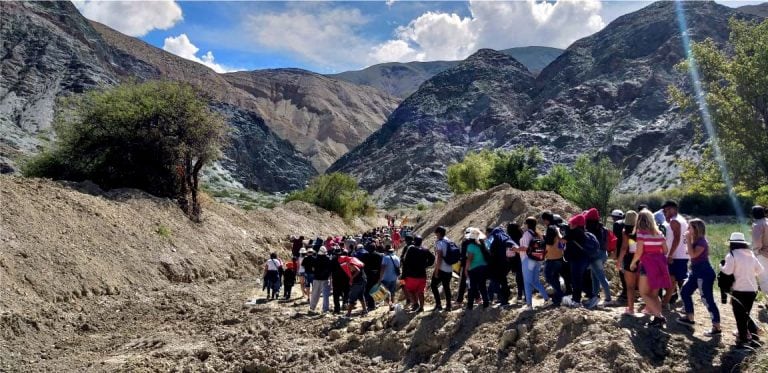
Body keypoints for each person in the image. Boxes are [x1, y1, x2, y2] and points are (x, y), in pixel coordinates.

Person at [676, 219, 721, 335]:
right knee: (685, 291)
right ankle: (689, 317)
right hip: (695, 272)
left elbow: (692, 254)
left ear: (696, 229)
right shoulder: (695, 240)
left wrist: (687, 240)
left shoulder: (702, 242)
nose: (687, 230)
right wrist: (689, 241)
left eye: (689, 228)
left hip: (704, 273)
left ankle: (716, 327)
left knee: (707, 299)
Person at [721, 232, 764, 347]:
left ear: (732, 243)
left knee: (739, 315)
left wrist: (721, 266)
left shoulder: (732, 255)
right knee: (745, 313)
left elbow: (728, 271)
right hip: (752, 289)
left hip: (739, 289)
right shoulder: (750, 254)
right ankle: (754, 335)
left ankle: (743, 339)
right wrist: (749, 274)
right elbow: (760, 270)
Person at [629, 210, 671, 327]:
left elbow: (639, 252)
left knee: (644, 293)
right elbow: (666, 250)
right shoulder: (659, 233)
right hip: (660, 265)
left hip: (647, 264)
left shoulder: (641, 233)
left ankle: (659, 317)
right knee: (654, 294)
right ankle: (657, 319)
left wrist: (633, 263)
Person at [518, 218, 551, 311]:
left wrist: (515, 249)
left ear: (527, 224)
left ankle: (530, 305)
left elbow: (524, 248)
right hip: (538, 260)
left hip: (527, 260)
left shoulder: (526, 234)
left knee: (528, 282)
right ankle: (544, 300)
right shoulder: (538, 233)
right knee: (535, 281)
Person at [562, 214, 595, 308]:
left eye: (571, 223)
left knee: (576, 280)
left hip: (577, 260)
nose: (570, 224)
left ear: (575, 224)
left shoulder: (574, 232)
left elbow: (562, 241)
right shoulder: (583, 232)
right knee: (580, 279)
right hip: (584, 259)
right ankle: (591, 296)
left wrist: (559, 232)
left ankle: (577, 301)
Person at [661, 200, 689, 310]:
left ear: (674, 209)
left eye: (668, 209)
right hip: (680, 254)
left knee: (676, 280)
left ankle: (685, 303)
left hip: (676, 256)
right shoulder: (680, 219)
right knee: (673, 280)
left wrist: (670, 255)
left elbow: (677, 238)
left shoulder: (674, 221)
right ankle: (666, 302)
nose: (666, 212)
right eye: (664, 210)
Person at [585, 208, 612, 306]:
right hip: (603, 253)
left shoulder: (590, 227)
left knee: (600, 276)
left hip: (595, 255)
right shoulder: (602, 227)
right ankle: (595, 296)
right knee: (595, 276)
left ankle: (608, 299)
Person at [401, 237, 435, 313]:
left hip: (411, 275)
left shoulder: (411, 249)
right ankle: (421, 307)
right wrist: (426, 265)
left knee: (410, 290)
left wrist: (405, 272)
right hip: (422, 275)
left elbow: (405, 261)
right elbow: (432, 258)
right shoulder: (425, 250)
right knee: (420, 292)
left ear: (414, 241)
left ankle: (415, 304)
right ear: (421, 241)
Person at [617, 211, 639, 314]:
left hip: (630, 258)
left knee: (630, 286)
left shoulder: (626, 231)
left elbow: (624, 247)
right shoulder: (642, 230)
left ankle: (630, 308)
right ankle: (650, 307)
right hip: (642, 258)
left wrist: (619, 261)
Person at [464, 227, 491, 310]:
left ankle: (470, 305)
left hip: (474, 269)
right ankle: (486, 303)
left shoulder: (470, 246)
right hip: (484, 267)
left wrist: (466, 269)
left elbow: (470, 259)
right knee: (482, 286)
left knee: (472, 287)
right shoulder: (482, 244)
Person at [542, 212, 565, 307]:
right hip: (559, 256)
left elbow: (549, 243)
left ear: (546, 220)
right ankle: (558, 298)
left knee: (548, 276)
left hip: (552, 257)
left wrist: (542, 238)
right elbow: (560, 243)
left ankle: (560, 295)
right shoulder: (558, 228)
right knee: (555, 277)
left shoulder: (551, 228)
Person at [431, 226, 454, 312]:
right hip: (449, 268)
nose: (436, 235)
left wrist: (436, 270)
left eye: (436, 233)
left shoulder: (439, 243)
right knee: (447, 287)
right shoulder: (448, 241)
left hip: (441, 269)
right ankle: (448, 306)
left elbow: (439, 257)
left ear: (439, 233)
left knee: (433, 285)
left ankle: (438, 304)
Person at [750, 205, 768, 293]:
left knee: (764, 278)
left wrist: (757, 251)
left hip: (763, 254)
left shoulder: (757, 225)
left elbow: (757, 242)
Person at [309, 247, 332, 313]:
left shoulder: (315, 259)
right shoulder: (328, 259)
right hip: (325, 279)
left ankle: (312, 308)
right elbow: (330, 270)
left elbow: (313, 269)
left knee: (315, 294)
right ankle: (325, 309)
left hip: (316, 279)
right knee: (326, 295)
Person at [507, 223, 526, 303]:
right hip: (524, 258)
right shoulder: (523, 236)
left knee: (519, 278)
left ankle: (520, 294)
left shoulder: (510, 239)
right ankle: (526, 295)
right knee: (524, 277)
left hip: (515, 260)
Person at [331, 247, 351, 314]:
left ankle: (337, 309)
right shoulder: (345, 259)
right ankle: (345, 303)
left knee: (336, 295)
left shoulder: (333, 259)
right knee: (346, 292)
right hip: (345, 279)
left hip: (336, 280)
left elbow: (331, 270)